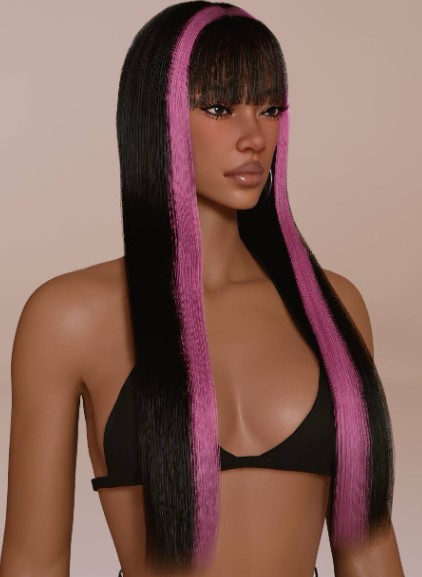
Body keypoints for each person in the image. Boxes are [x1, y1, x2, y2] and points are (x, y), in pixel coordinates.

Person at [0, 2, 405, 576]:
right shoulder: (69, 317)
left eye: (270, 109)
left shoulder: (332, 305)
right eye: (219, 108)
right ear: (155, 117)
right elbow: (32, 563)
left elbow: (366, 546)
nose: (254, 137)